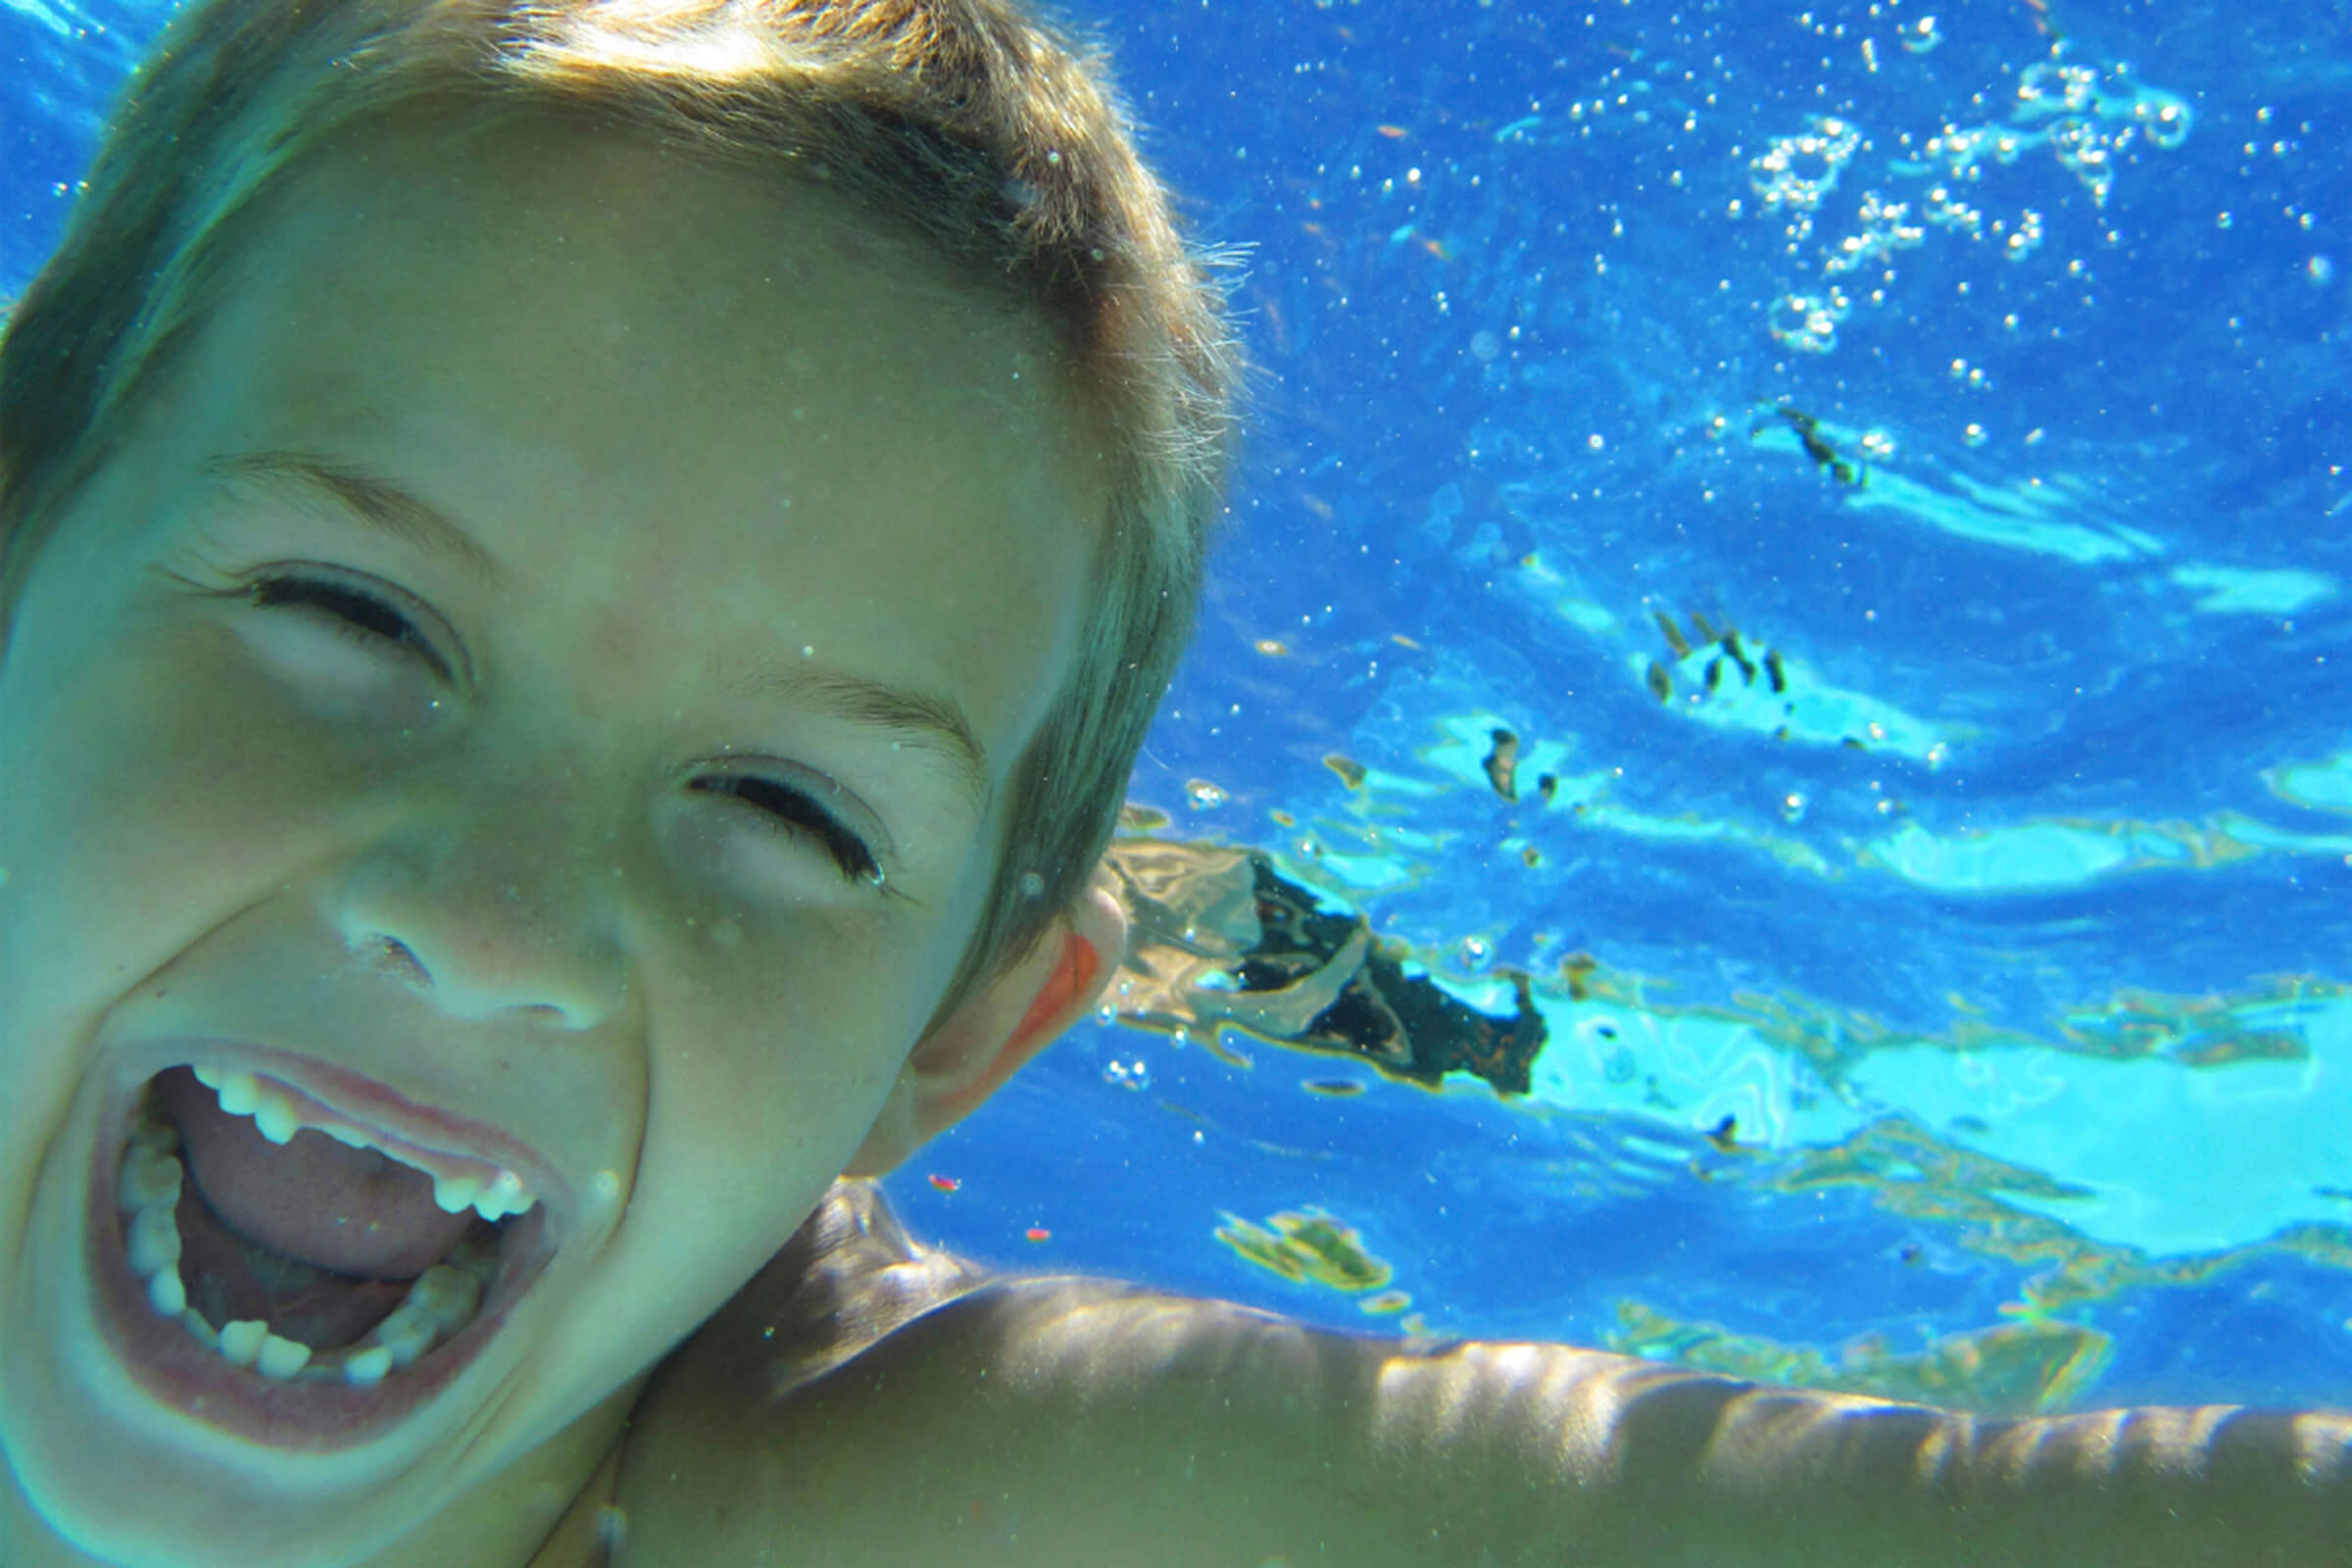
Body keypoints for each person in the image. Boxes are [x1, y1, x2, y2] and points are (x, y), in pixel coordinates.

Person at [0, 2, 2339, 1562]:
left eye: (788, 812)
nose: (493, 919)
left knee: (1313, 960)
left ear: (957, 1046)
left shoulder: (853, 1486)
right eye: (358, 620)